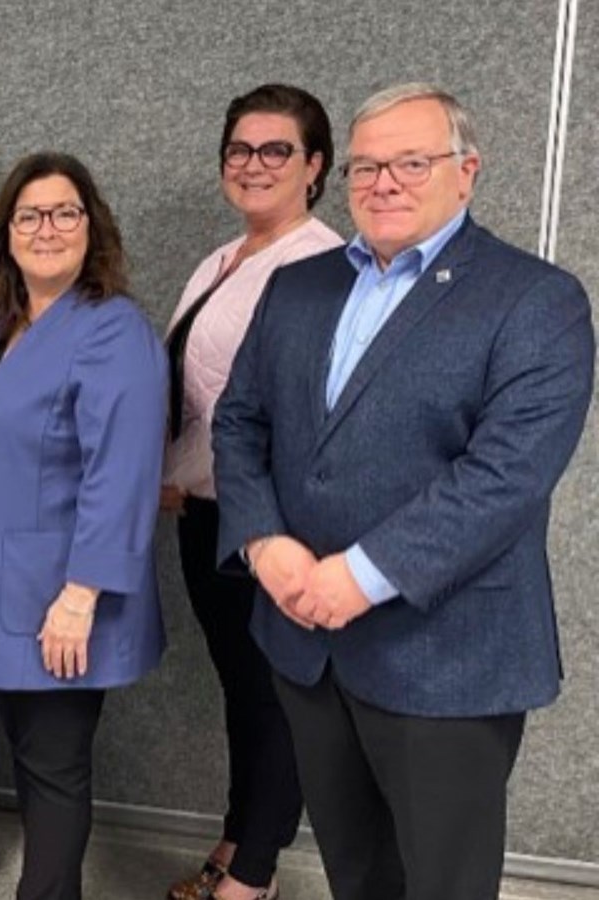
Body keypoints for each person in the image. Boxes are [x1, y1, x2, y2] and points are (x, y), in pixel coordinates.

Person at [213, 83, 594, 900]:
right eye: (367, 166)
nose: (384, 182)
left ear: (467, 171)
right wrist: (263, 540)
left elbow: (505, 477)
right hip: (304, 644)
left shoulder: (536, 301)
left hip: (445, 656)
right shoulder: (299, 287)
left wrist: (356, 576)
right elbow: (239, 425)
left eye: (411, 162)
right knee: (358, 872)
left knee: (444, 884)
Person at [0, 152, 166, 900]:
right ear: (5, 235)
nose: (47, 229)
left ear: (90, 227)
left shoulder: (112, 329)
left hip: (58, 599)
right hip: (9, 592)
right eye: (29, 215)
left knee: (56, 773)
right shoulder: (6, 324)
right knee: (37, 765)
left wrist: (80, 596)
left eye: (65, 212)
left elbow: (121, 472)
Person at [160, 84, 342, 900]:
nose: (254, 164)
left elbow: (305, 411)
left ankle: (254, 877)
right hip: (206, 511)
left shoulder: (320, 266)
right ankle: (238, 839)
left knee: (275, 698)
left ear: (314, 166)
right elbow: (204, 387)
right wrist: (172, 472)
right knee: (244, 686)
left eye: (276, 150)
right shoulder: (224, 256)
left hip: (267, 519)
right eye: (240, 149)